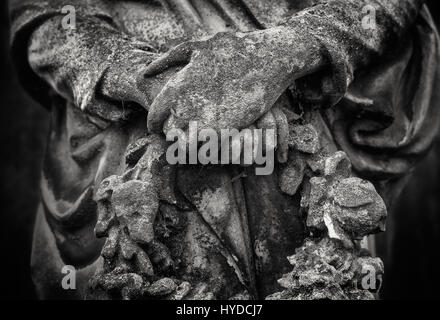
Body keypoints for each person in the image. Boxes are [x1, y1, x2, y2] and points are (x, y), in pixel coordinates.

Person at [8, 0, 440, 299]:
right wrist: (139, 76)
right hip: (129, 121)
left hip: (307, 101)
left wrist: (293, 48)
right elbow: (51, 16)